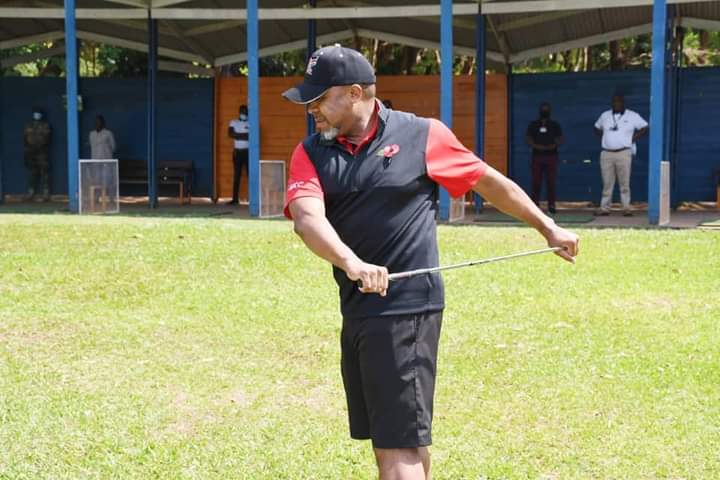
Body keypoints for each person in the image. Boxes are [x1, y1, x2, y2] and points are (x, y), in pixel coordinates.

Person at [281, 44, 579, 480]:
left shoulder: (422, 135)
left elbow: (487, 182)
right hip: (359, 307)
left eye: (320, 99)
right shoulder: (310, 152)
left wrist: (547, 227)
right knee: (398, 440)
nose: (311, 110)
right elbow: (307, 219)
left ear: (356, 93)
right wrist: (351, 262)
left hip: (407, 310)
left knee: (397, 448)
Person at [593, 94, 648, 216]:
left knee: (624, 183)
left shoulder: (632, 115)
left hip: (623, 152)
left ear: (623, 103)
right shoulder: (605, 115)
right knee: (607, 183)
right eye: (614, 101)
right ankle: (605, 208)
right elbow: (596, 127)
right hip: (607, 153)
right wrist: (604, 137)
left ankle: (626, 208)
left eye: (619, 101)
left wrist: (632, 139)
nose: (616, 104)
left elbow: (644, 127)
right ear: (611, 103)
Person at [525, 102, 563, 214]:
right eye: (543, 109)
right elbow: (528, 138)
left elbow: (560, 139)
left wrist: (553, 146)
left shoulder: (554, 124)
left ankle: (551, 205)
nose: (545, 111)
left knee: (551, 182)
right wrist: (537, 146)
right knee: (536, 182)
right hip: (537, 156)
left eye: (547, 109)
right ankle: (534, 205)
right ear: (540, 111)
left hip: (551, 156)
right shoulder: (534, 124)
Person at [23, 106, 52, 201]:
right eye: (35, 113)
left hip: (42, 152)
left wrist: (39, 146)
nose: (37, 115)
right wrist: (28, 150)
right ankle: (31, 193)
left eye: (38, 113)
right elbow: (25, 139)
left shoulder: (45, 125)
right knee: (32, 173)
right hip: (31, 152)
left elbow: (47, 139)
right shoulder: (28, 125)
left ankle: (46, 193)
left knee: (44, 173)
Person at [227, 104, 249, 205]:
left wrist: (237, 135)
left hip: (248, 153)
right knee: (237, 175)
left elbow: (250, 136)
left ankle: (251, 199)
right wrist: (244, 135)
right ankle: (235, 199)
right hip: (237, 152)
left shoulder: (251, 123)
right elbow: (230, 134)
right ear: (239, 112)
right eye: (242, 112)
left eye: (245, 112)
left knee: (250, 175)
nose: (244, 114)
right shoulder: (233, 122)